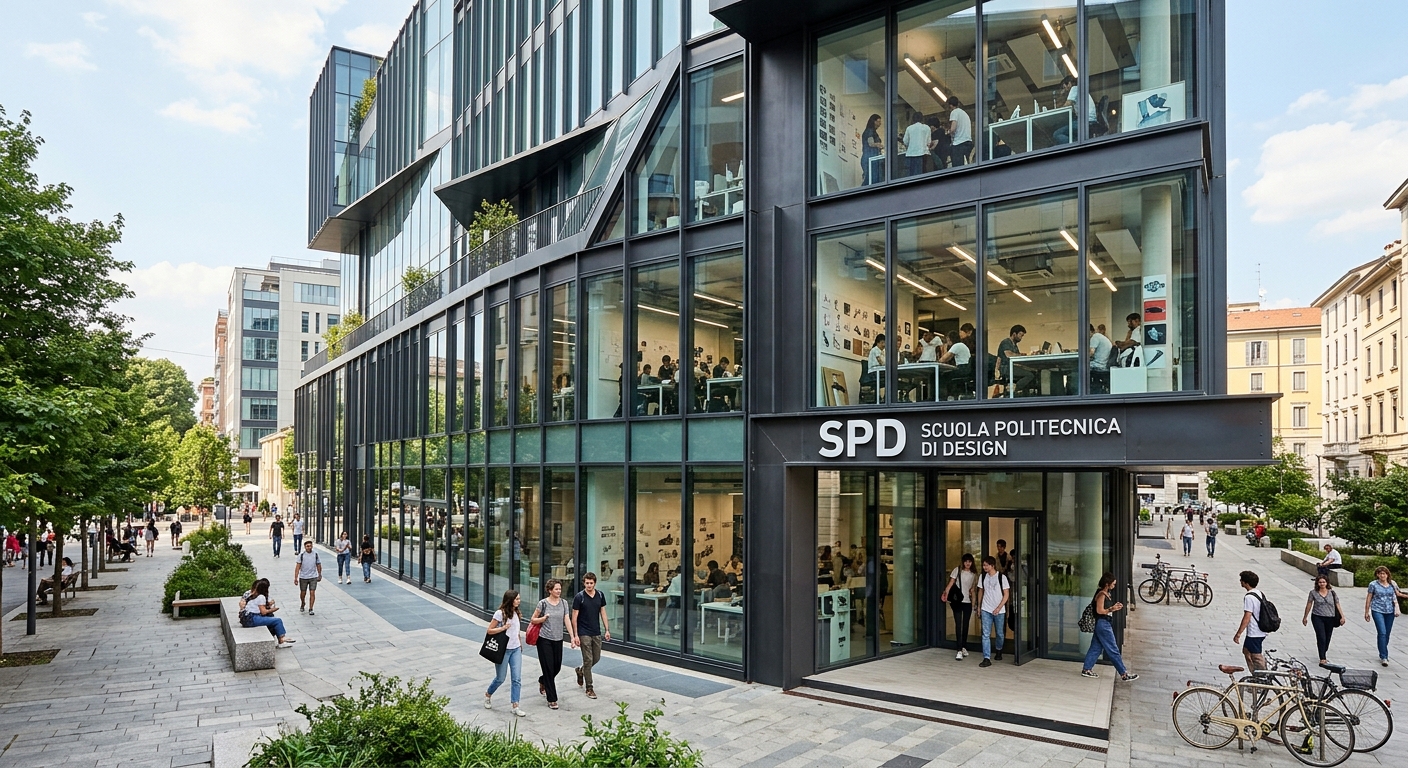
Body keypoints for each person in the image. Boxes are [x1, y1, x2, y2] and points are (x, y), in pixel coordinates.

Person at [1081, 572, 1138, 680]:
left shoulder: (1104, 593)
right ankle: (1124, 674)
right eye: (1113, 584)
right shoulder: (1102, 594)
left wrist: (1113, 607)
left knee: (1096, 648)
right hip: (1103, 624)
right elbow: (1100, 610)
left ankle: (1087, 669)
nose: (1114, 586)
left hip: (1102, 623)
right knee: (1113, 649)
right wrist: (1111, 609)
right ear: (1107, 584)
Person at [531, 579, 577, 710]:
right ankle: (552, 699)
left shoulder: (564, 603)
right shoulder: (543, 603)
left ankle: (543, 680)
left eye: (560, 589)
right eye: (556, 589)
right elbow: (533, 619)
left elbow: (566, 619)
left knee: (557, 667)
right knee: (549, 668)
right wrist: (543, 618)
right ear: (550, 590)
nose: (559, 591)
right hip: (544, 639)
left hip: (558, 639)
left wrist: (572, 637)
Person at [485, 590, 526, 717]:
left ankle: (515, 705)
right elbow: (490, 630)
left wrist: (519, 644)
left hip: (516, 649)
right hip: (503, 650)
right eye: (517, 599)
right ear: (510, 600)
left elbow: (516, 631)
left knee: (517, 679)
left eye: (519, 599)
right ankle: (488, 694)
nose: (519, 601)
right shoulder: (500, 613)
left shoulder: (516, 613)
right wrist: (503, 628)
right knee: (500, 678)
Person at [572, 572, 611, 700]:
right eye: (587, 583)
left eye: (591, 583)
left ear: (595, 583)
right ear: (584, 583)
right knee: (588, 659)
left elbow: (603, 612)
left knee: (597, 657)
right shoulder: (580, 597)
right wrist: (575, 635)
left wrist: (607, 629)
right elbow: (574, 617)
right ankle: (589, 688)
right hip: (584, 632)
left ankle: (581, 671)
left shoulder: (600, 595)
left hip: (596, 631)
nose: (589, 585)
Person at [1364, 566, 1406, 667]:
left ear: (1387, 574)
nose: (1382, 575)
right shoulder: (1373, 584)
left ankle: (1382, 649)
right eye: (1380, 573)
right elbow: (1369, 598)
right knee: (1382, 632)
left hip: (1390, 611)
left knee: (1387, 634)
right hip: (1377, 610)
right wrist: (1366, 611)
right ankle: (1384, 656)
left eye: (1384, 573)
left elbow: (1398, 594)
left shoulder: (1392, 584)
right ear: (1377, 575)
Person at [1303, 575, 1345, 665]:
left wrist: (1342, 616)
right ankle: (1322, 657)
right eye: (1320, 582)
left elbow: (1337, 604)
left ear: (1327, 583)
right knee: (1321, 636)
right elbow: (1309, 604)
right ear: (1317, 583)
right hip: (1317, 617)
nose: (1322, 584)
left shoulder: (1332, 593)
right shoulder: (1313, 593)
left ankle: (1323, 650)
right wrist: (1305, 617)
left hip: (1330, 617)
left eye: (1324, 582)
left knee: (1327, 637)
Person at [943, 553, 978, 660]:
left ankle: (963, 646)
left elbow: (973, 589)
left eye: (970, 561)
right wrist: (946, 593)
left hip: (967, 601)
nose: (968, 563)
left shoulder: (974, 574)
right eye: (966, 561)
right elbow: (951, 582)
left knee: (966, 625)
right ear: (963, 562)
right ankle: (958, 649)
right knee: (958, 624)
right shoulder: (957, 570)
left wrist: (974, 603)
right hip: (958, 601)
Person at [976, 556, 1009, 667]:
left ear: (992, 565)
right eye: (983, 565)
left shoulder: (1001, 577)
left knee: (1000, 634)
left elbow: (1006, 594)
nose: (984, 567)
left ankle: (999, 649)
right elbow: (980, 591)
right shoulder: (983, 576)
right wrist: (979, 606)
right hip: (986, 608)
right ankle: (986, 658)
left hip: (999, 610)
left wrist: (999, 608)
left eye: (986, 565)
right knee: (985, 634)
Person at [244, 578, 296, 648]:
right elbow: (263, 612)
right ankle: (281, 640)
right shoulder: (261, 597)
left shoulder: (252, 595)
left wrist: (268, 604)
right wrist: (273, 610)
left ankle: (280, 639)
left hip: (247, 618)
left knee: (272, 620)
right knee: (277, 621)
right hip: (253, 618)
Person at [1233, 570, 1268, 671]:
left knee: (1256, 656)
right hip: (1261, 630)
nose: (1240, 582)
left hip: (1254, 632)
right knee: (1246, 650)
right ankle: (1255, 674)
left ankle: (1262, 676)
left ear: (1246, 583)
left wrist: (1238, 633)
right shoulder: (1259, 593)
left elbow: (1247, 616)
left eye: (1241, 580)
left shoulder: (1249, 597)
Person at [1052, 75, 1099, 144]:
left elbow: (1067, 106)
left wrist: (1061, 96)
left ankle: (1070, 147)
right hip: (1089, 121)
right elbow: (1072, 111)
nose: (1064, 89)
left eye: (1063, 87)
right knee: (1072, 136)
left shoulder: (1074, 89)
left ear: (1069, 83)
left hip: (1085, 121)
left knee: (1057, 134)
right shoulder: (1079, 91)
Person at [995, 325, 1030, 397]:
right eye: (1020, 335)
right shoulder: (1006, 342)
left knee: (1031, 372)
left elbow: (1016, 357)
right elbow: (1009, 354)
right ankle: (1013, 389)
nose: (1021, 338)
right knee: (1029, 375)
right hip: (1006, 368)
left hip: (1011, 367)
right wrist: (1021, 355)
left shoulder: (1014, 345)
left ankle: (1022, 393)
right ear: (1014, 334)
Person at [900, 111, 934, 177]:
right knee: (922, 172)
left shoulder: (909, 128)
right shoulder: (927, 128)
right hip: (923, 153)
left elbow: (905, 141)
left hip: (911, 153)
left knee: (911, 174)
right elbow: (928, 142)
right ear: (922, 119)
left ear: (913, 119)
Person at [294, 540, 322, 615]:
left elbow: (318, 564)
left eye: (310, 546)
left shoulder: (315, 554)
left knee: (312, 592)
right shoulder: (301, 555)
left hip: (313, 576)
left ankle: (311, 608)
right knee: (303, 593)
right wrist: (296, 578)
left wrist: (319, 574)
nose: (309, 547)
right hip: (303, 577)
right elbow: (297, 567)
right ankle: (303, 603)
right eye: (307, 546)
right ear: (305, 547)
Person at [947, 97, 973, 167]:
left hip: (959, 143)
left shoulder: (954, 112)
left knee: (957, 167)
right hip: (968, 141)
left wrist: (947, 132)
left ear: (950, 105)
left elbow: (953, 129)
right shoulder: (964, 113)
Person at [860, 114, 884, 186]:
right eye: (878, 121)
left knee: (873, 180)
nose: (880, 124)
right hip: (869, 159)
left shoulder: (872, 131)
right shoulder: (869, 131)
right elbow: (871, 143)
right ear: (874, 121)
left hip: (871, 158)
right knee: (870, 179)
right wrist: (879, 145)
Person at [1088, 324, 1112, 394]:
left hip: (1098, 366)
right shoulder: (1101, 337)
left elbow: (1091, 352)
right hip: (1104, 364)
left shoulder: (1095, 337)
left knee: (1077, 370)